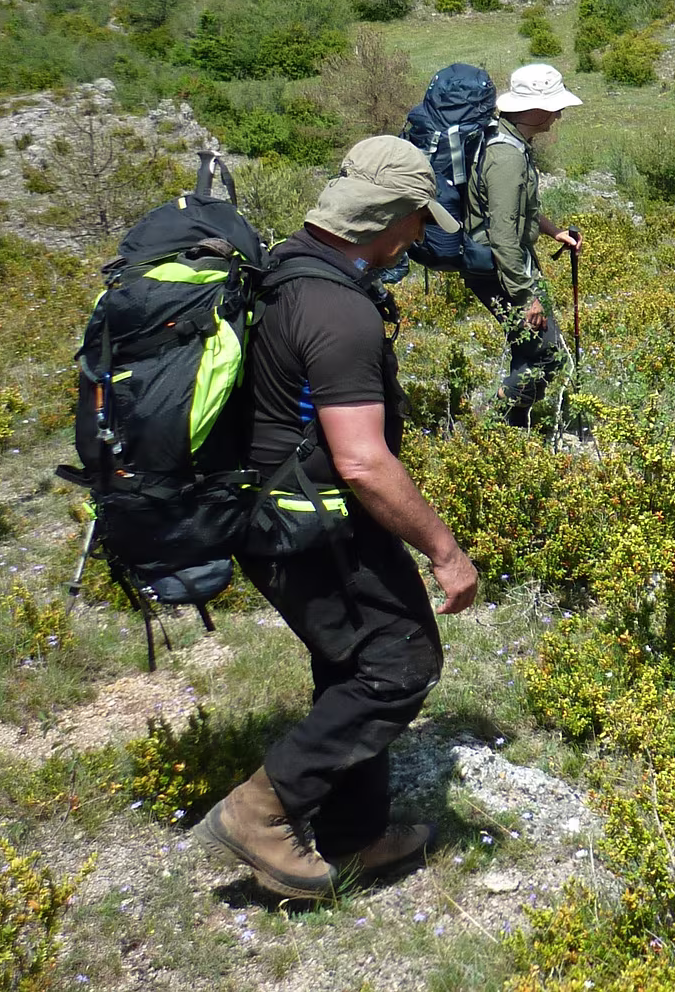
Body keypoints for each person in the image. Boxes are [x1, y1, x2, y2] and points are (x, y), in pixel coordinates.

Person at [194, 137, 480, 900]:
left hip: (270, 515)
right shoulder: (339, 311)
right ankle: (262, 811)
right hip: (311, 525)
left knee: (351, 664)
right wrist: (446, 551)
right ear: (387, 217)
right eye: (417, 220)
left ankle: (356, 837)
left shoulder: (286, 266)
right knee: (401, 664)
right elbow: (362, 462)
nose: (418, 236)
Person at [467, 63, 584, 427]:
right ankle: (495, 422)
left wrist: (553, 231)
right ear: (534, 109)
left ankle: (514, 430)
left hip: (510, 262)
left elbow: (518, 209)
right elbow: (503, 233)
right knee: (547, 354)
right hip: (503, 267)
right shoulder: (506, 157)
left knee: (530, 349)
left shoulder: (512, 141)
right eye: (555, 106)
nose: (559, 114)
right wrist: (524, 296)